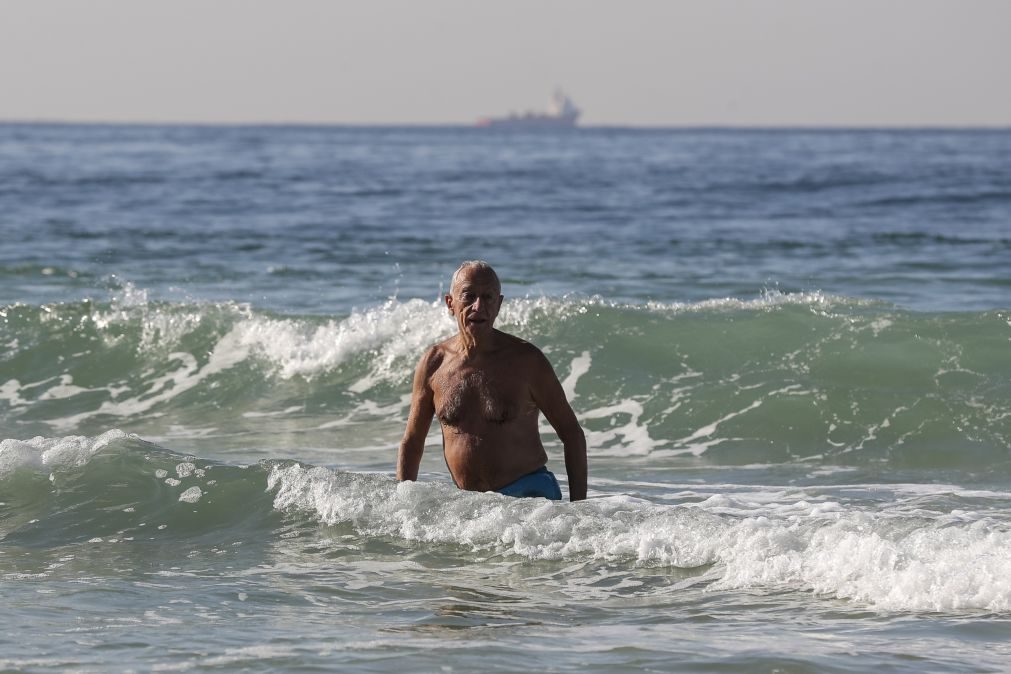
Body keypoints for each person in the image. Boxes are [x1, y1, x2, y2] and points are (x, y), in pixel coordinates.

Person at [396, 261, 587, 501]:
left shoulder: (527, 361)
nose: (479, 306)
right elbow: (412, 442)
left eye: (488, 297)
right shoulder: (434, 363)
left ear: (499, 304)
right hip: (471, 505)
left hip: (531, 495)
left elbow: (571, 434)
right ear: (450, 303)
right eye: (469, 296)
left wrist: (578, 509)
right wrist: (402, 505)